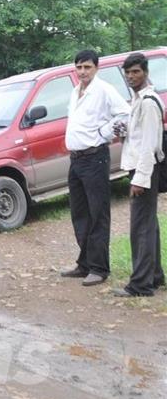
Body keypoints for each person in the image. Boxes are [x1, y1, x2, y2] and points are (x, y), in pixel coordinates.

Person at [61, 49, 130, 286]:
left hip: (95, 158)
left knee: (98, 212)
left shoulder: (104, 90)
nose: (83, 72)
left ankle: (100, 268)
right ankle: (85, 263)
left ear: (96, 68)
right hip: (76, 160)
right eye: (79, 67)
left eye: (87, 67)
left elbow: (125, 113)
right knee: (79, 213)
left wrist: (103, 133)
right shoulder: (74, 92)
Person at [111, 53, 165, 298]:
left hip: (145, 170)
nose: (131, 77)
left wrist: (140, 179)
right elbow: (139, 138)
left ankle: (141, 284)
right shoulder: (137, 100)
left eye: (136, 72)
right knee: (148, 225)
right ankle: (154, 276)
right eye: (128, 73)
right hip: (139, 168)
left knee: (140, 228)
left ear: (146, 72)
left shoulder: (149, 102)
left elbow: (150, 145)